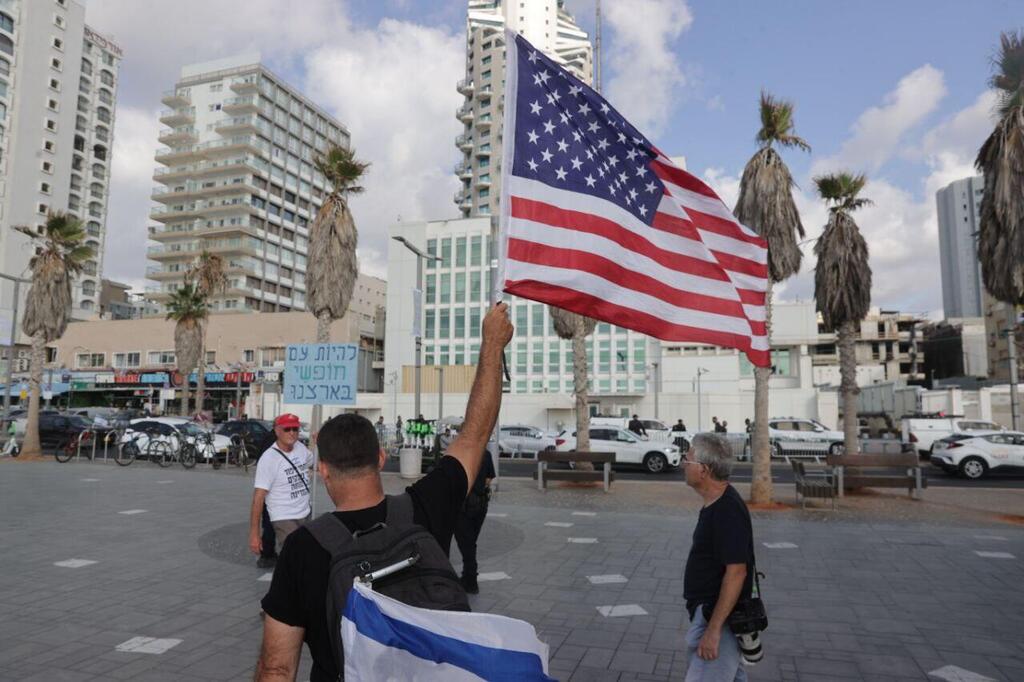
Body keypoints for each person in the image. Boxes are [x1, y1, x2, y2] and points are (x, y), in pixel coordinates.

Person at [255, 303, 513, 682]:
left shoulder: (302, 549)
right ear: (380, 457)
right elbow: (474, 436)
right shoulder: (424, 509)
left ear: (323, 469)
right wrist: (491, 344)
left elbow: (277, 668)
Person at [682, 433, 754, 681]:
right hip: (713, 614)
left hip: (718, 618)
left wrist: (713, 631)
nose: (683, 463)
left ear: (703, 470)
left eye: (688, 459)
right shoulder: (717, 502)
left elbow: (737, 573)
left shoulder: (727, 510)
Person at [248, 413, 313, 567]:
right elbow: (258, 498)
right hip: (284, 517)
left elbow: (313, 461)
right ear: (277, 431)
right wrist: (255, 534)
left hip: (304, 512)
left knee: (303, 556)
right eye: (287, 429)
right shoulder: (269, 458)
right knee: (295, 558)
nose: (292, 433)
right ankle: (289, 588)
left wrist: (318, 442)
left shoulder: (300, 448)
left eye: (295, 429)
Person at [454, 449, 496, 594]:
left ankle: (471, 580)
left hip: (462, 505)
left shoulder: (458, 453)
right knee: (470, 542)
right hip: (480, 504)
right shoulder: (485, 453)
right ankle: (468, 576)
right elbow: (489, 478)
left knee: (466, 543)